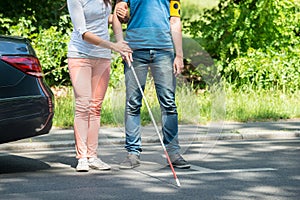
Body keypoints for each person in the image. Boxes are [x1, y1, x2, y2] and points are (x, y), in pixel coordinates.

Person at [113, 0, 190, 169]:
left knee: (168, 103)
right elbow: (117, 15)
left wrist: (179, 55)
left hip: (164, 51)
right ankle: (132, 153)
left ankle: (173, 152)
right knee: (133, 103)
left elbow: (175, 20)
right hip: (135, 50)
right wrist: (120, 44)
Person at [67, 0, 132, 172]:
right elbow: (83, 32)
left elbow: (107, 18)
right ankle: (82, 158)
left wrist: (121, 20)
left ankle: (92, 155)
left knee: (95, 107)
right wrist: (114, 46)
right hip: (80, 55)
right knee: (83, 105)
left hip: (102, 57)